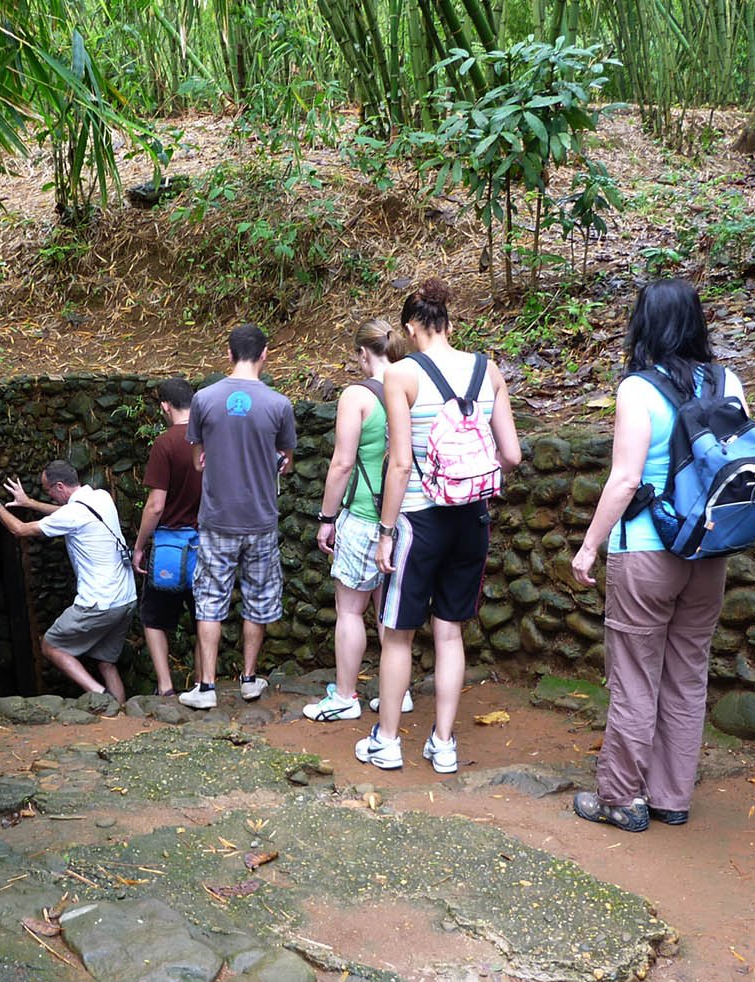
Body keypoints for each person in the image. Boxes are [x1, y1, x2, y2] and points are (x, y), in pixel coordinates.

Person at [569, 278, 744, 832]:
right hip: (708, 549)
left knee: (635, 676)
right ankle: (672, 795)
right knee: (688, 673)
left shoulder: (638, 390)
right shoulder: (728, 381)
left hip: (646, 551)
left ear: (644, 324)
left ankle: (622, 796)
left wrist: (589, 546)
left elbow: (624, 481)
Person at [361, 278, 522, 772]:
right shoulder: (487, 369)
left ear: (410, 327)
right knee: (450, 632)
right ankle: (444, 744)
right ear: (449, 323)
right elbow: (511, 455)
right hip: (471, 518)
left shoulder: (402, 375)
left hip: (418, 520)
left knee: (397, 633)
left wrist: (385, 532)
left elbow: (401, 463)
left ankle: (388, 741)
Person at [179, 323, 297, 710]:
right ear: (265, 354)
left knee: (210, 600)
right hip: (260, 518)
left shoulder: (204, 399)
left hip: (216, 519)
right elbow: (285, 463)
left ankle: (207, 687)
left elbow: (198, 458)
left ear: (227, 354)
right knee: (258, 600)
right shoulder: (279, 404)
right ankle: (249, 679)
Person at [304, 319, 407, 722]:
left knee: (350, 609)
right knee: (389, 611)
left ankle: (346, 696)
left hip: (364, 514)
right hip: (401, 517)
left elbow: (343, 462)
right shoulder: (410, 385)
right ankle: (396, 693)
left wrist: (327, 517)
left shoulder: (357, 395)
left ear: (364, 353)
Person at [0, 462, 135, 704]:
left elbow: (19, 529)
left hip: (99, 603)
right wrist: (29, 503)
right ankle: (123, 714)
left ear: (60, 486)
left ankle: (101, 696)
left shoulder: (72, 514)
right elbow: (66, 515)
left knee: (51, 646)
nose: (48, 494)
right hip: (126, 599)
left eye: (48, 490)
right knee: (106, 662)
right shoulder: (101, 497)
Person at [132, 378, 202, 697]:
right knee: (205, 617)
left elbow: (156, 504)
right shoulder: (210, 439)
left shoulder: (164, 444)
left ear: (165, 406)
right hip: (206, 544)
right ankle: (204, 684)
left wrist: (139, 545)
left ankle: (166, 687)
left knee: (154, 618)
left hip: (171, 547)